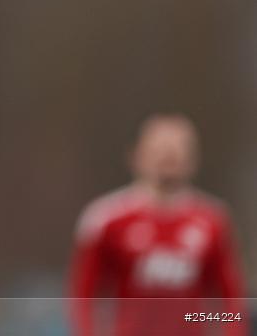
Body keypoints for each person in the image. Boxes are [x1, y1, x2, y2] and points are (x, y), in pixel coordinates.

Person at [68, 113, 247, 336]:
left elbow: (230, 298)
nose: (168, 158)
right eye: (160, 150)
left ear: (193, 159)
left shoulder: (213, 221)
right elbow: (84, 296)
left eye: (177, 151)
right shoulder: (105, 219)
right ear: (136, 156)